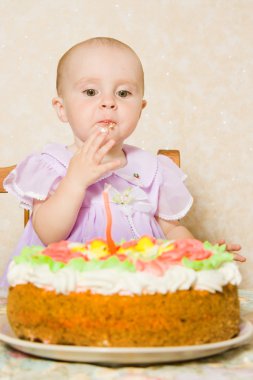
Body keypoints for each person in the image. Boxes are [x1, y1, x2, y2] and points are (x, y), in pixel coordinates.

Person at [1, 37, 244, 288]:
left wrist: (200, 255)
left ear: (140, 107)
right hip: (65, 290)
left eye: (123, 93)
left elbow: (172, 232)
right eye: (91, 92)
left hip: (138, 291)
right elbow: (48, 235)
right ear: (61, 108)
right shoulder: (51, 166)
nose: (108, 102)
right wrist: (74, 181)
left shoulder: (152, 170)